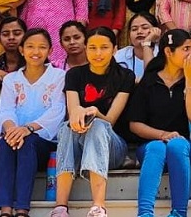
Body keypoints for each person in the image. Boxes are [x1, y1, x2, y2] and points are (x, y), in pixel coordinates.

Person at [51, 27, 135, 217]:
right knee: (66, 128)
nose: (98, 53)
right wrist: (79, 113)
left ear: (114, 49)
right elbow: (73, 111)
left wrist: (95, 112)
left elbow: (110, 121)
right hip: (80, 145)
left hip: (112, 147)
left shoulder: (125, 76)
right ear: (85, 48)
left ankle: (98, 206)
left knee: (98, 125)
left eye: (104, 47)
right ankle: (60, 207)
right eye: (92, 48)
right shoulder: (74, 75)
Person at [129, 29, 191, 217]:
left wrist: (190, 81)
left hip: (183, 149)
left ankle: (179, 213)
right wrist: (162, 135)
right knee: (157, 146)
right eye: (186, 49)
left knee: (177, 144)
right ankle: (145, 214)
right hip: (151, 149)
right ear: (168, 52)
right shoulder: (149, 81)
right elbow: (135, 124)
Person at [0, 29, 67, 217]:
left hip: (43, 140)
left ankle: (22, 209)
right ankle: (5, 208)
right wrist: (12, 130)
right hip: (15, 137)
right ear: (22, 50)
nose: (36, 52)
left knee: (27, 142)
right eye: (30, 46)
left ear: (50, 51)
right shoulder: (11, 79)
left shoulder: (58, 76)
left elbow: (57, 110)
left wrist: (28, 128)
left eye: (42, 47)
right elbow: (5, 110)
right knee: (6, 143)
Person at [114, 12, 161, 80]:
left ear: (156, 31)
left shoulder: (163, 54)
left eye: (144, 28)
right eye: (134, 29)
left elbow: (152, 78)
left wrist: (147, 42)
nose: (139, 31)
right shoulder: (120, 55)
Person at [0, 17, 27, 81]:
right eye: (5, 34)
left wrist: (7, 77)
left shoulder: (34, 63)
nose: (11, 37)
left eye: (17, 33)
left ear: (26, 36)